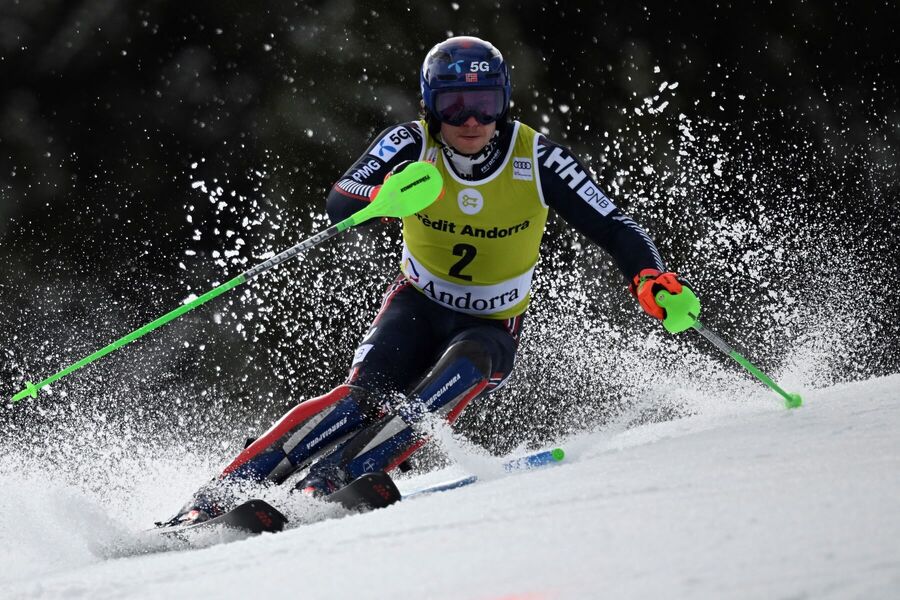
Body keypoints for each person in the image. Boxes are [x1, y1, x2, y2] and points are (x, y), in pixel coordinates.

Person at [163, 36, 697, 525]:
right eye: (453, 106)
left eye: (484, 104)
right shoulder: (410, 144)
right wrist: (381, 198)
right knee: (359, 399)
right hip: (416, 305)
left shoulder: (536, 158)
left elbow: (613, 223)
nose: (470, 121)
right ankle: (218, 496)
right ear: (430, 106)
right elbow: (340, 198)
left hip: (489, 321)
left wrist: (649, 277)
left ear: (503, 103)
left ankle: (330, 481)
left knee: (455, 376)